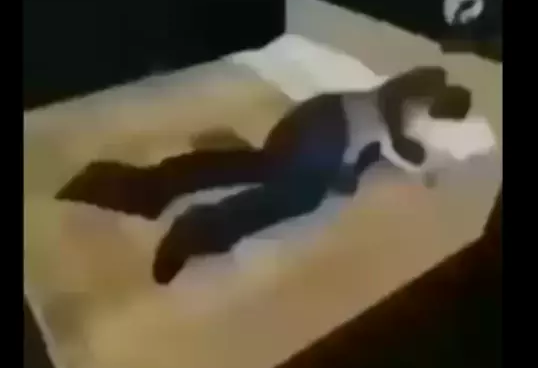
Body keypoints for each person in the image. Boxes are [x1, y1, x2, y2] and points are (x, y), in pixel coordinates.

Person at [56, 66, 471, 284]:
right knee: (292, 185)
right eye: (434, 111)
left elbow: (375, 153)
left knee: (283, 178)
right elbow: (390, 105)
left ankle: (155, 195)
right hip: (323, 121)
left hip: (325, 143)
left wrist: (356, 174)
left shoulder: (422, 140)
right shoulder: (428, 82)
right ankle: (180, 220)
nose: (429, 118)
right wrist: (404, 147)